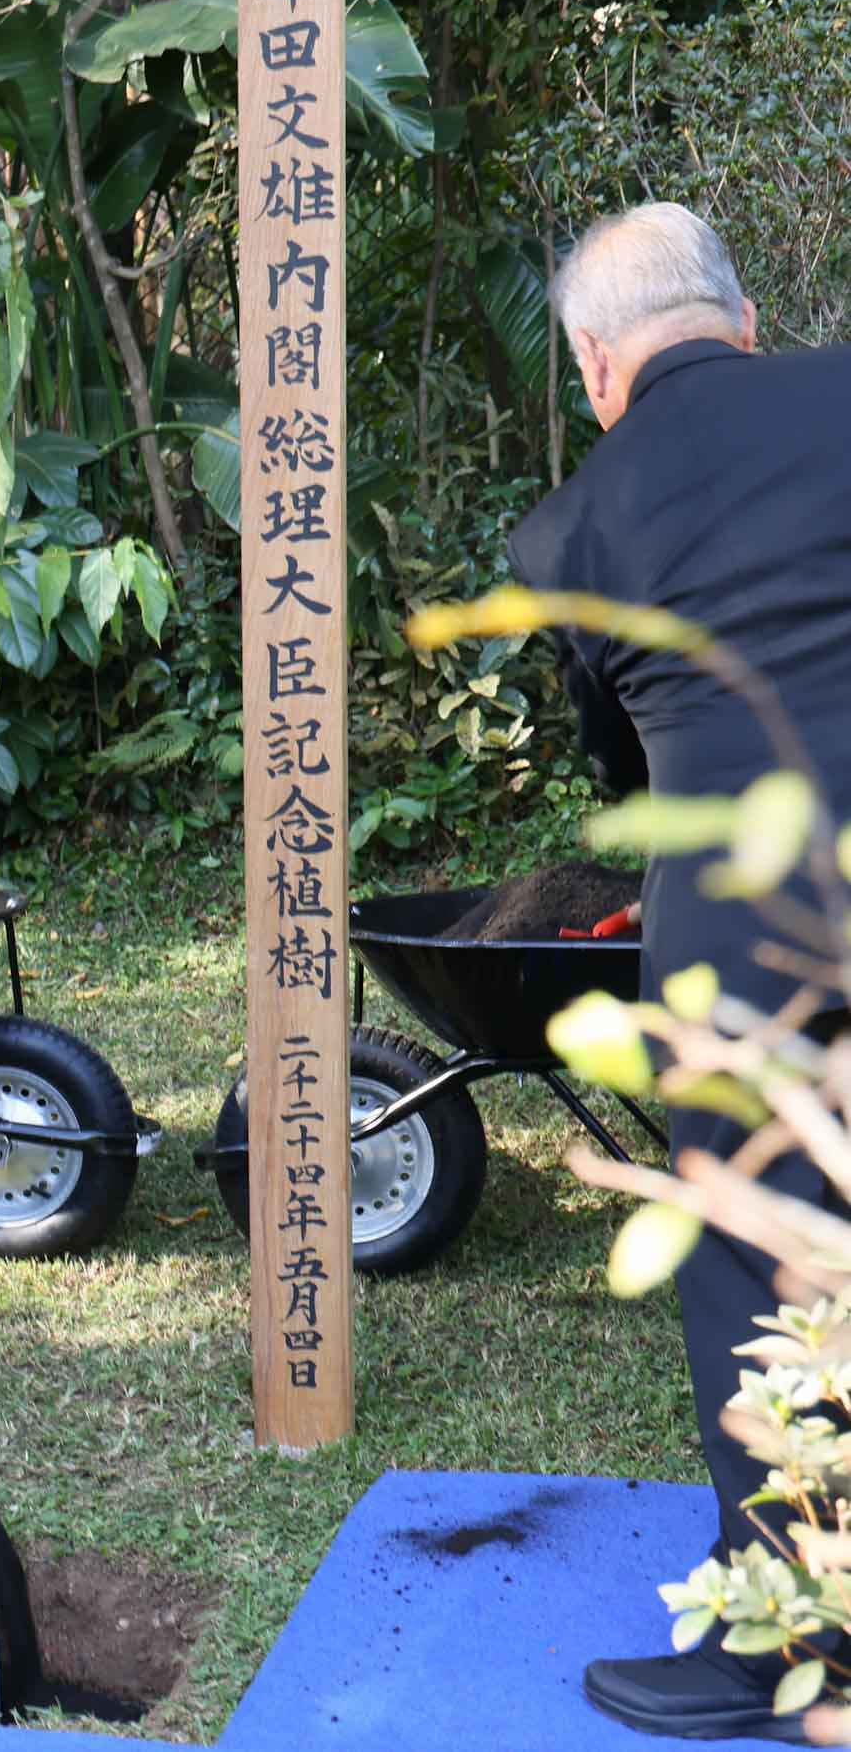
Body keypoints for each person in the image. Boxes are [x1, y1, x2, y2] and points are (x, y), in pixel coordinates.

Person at [508, 201, 851, 1742]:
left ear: (595, 364)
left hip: (742, 928)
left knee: (754, 1249)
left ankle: (798, 1638)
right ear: (746, 315)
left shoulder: (572, 532)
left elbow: (618, 758)